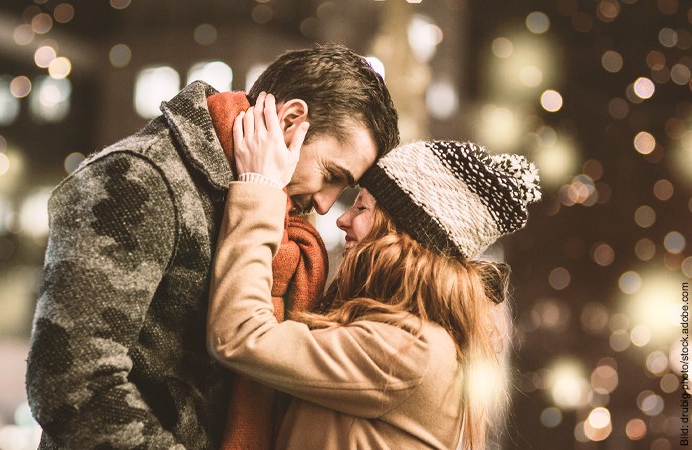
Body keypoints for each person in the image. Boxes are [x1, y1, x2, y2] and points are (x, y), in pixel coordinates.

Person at [25, 43, 399, 450]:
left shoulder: (268, 214)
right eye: (331, 175)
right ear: (291, 120)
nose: (326, 205)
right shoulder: (139, 177)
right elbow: (71, 382)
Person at [207, 102, 541, 449]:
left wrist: (258, 186)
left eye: (362, 207)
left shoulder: (409, 350)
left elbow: (241, 334)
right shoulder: (415, 338)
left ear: (402, 235)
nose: (342, 219)